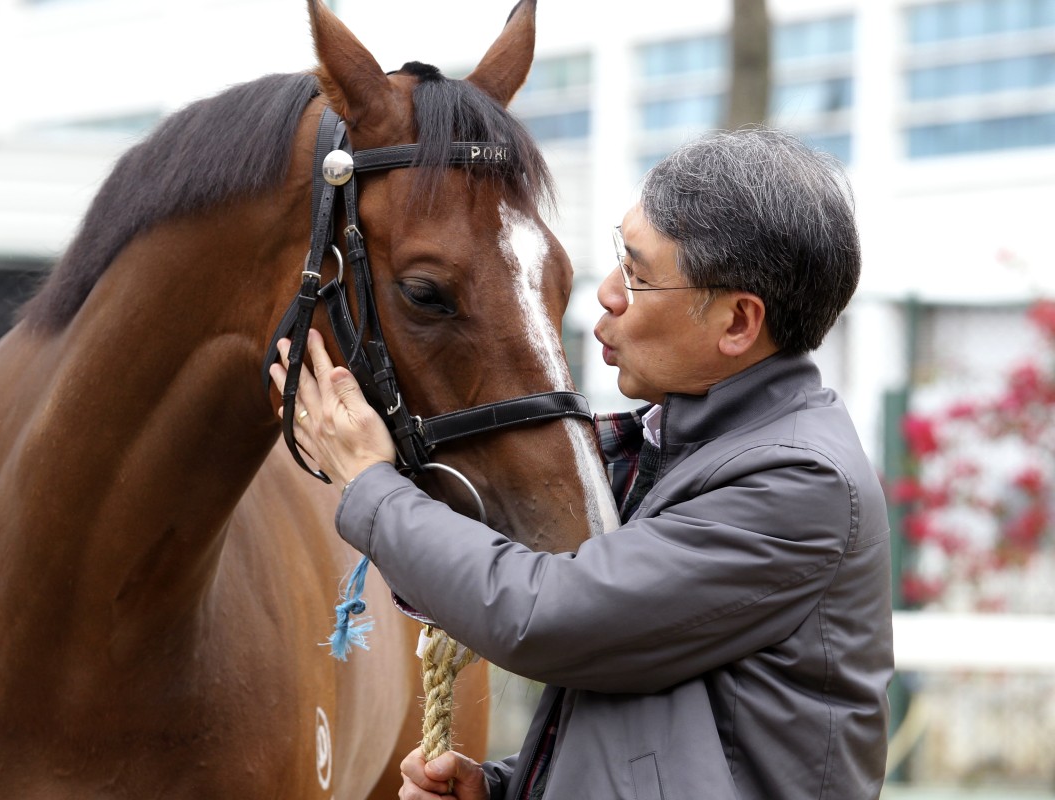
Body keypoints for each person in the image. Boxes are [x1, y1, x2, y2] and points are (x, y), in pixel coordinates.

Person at [269, 128, 894, 800]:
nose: (607, 295)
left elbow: (549, 617)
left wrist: (370, 484)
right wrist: (509, 790)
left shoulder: (797, 480)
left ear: (739, 324)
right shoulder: (691, 450)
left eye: (638, 274)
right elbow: (666, 727)